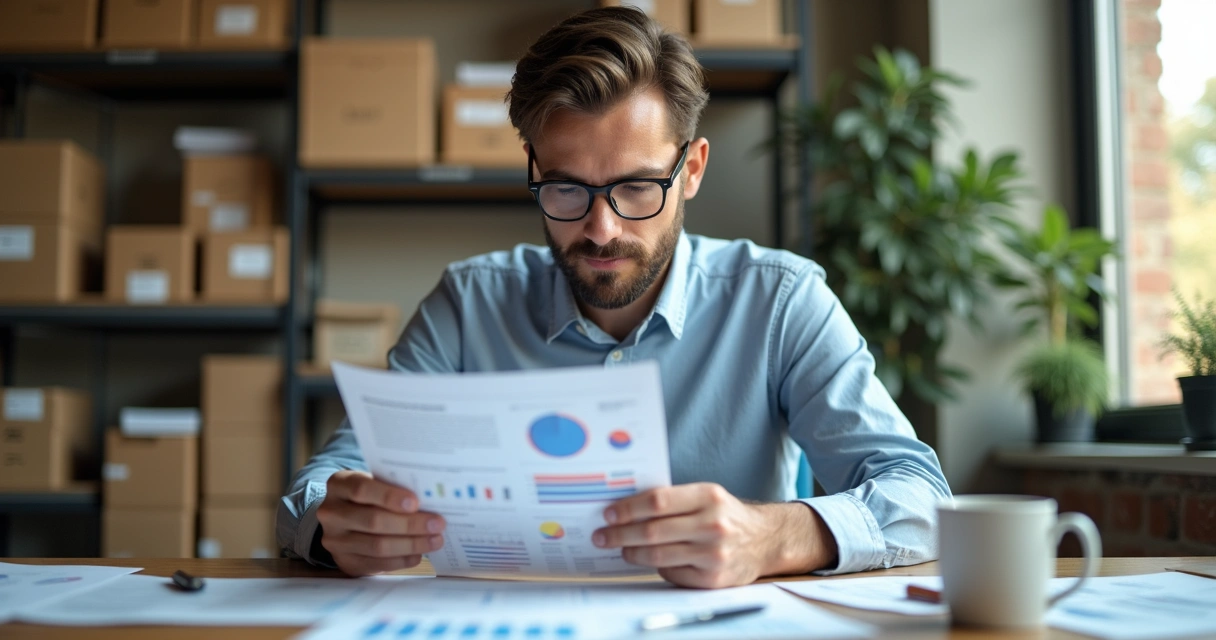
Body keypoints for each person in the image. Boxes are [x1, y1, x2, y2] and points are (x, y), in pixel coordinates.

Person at [277, 6, 951, 589]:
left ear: (690, 170)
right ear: (534, 169)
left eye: (635, 188)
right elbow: (318, 490)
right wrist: (335, 527)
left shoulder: (781, 302)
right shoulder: (467, 305)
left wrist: (772, 537)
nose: (601, 229)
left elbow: (920, 497)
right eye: (567, 189)